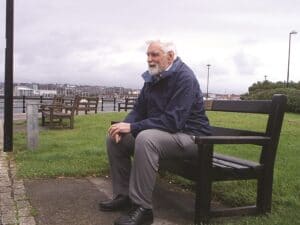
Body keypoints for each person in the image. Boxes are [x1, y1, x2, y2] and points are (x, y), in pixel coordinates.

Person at [99, 40, 211, 225]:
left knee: (146, 138)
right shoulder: (153, 78)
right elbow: (138, 110)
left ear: (170, 56)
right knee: (115, 138)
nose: (149, 59)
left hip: (193, 139)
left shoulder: (185, 78)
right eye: (148, 55)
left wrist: (133, 128)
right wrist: (124, 126)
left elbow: (173, 121)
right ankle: (123, 196)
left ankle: (143, 209)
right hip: (168, 135)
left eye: (155, 55)